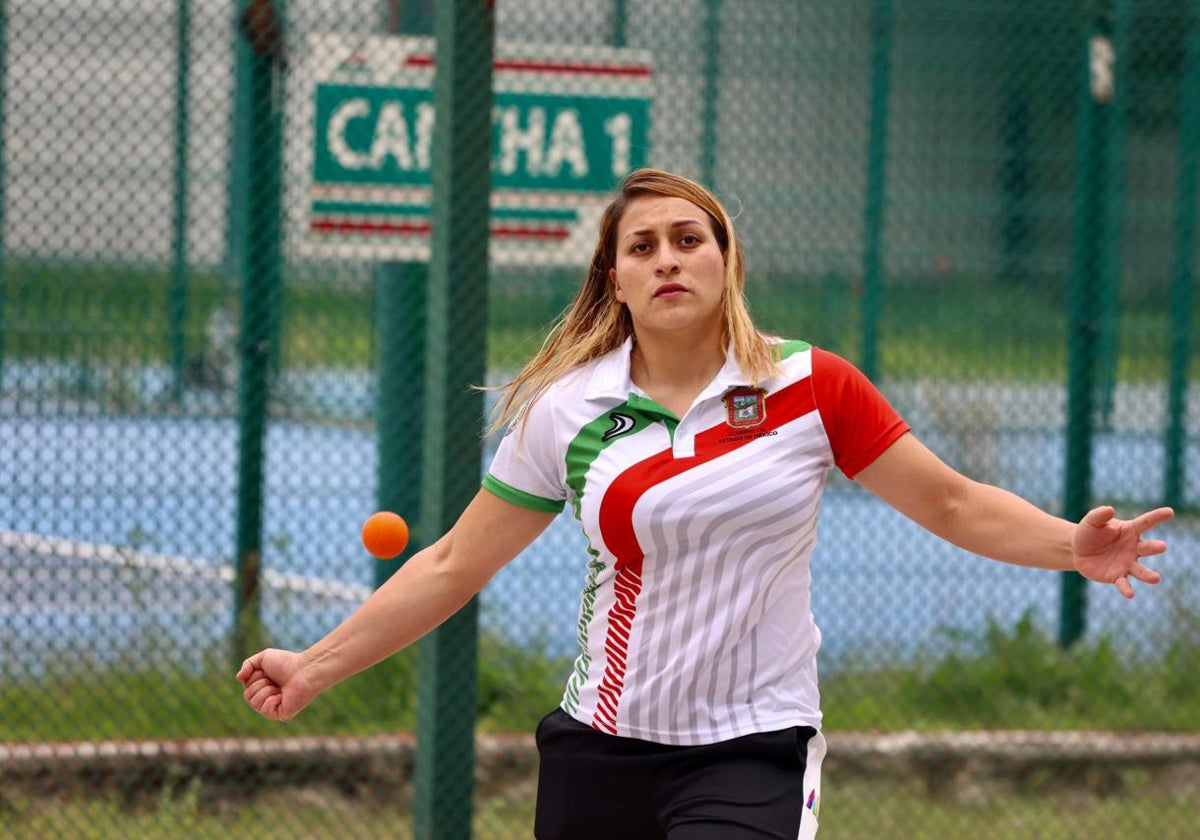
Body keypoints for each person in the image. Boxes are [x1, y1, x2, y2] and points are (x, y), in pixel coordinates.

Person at [237, 168, 1174, 839]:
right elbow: (452, 564)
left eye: (690, 239)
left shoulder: (811, 388)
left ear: (726, 260)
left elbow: (956, 505)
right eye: (642, 247)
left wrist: (1071, 546)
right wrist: (316, 666)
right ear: (617, 278)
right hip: (599, 749)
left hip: (751, 745)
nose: (668, 259)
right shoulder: (569, 413)